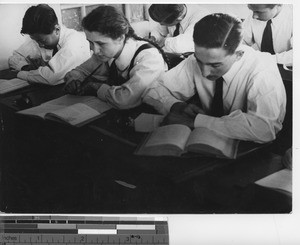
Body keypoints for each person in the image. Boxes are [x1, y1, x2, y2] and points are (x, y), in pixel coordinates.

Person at [143, 13, 286, 143]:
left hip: (253, 151)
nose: (204, 73)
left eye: (215, 65)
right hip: (206, 141)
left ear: (238, 55)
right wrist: (177, 106)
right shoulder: (196, 59)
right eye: (199, 61)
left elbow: (264, 129)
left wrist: (196, 121)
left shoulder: (263, 69)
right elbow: (153, 90)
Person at [64, 5, 169, 109]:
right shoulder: (107, 53)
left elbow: (124, 100)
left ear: (120, 38)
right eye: (90, 43)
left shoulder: (149, 58)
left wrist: (95, 87)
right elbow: (78, 72)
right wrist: (74, 81)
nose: (95, 50)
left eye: (101, 44)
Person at [8, 4, 91, 85]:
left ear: (57, 30)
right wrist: (25, 67)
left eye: (42, 41)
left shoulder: (73, 44)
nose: (40, 45)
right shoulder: (41, 37)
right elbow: (15, 57)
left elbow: (50, 77)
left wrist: (22, 72)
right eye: (36, 40)